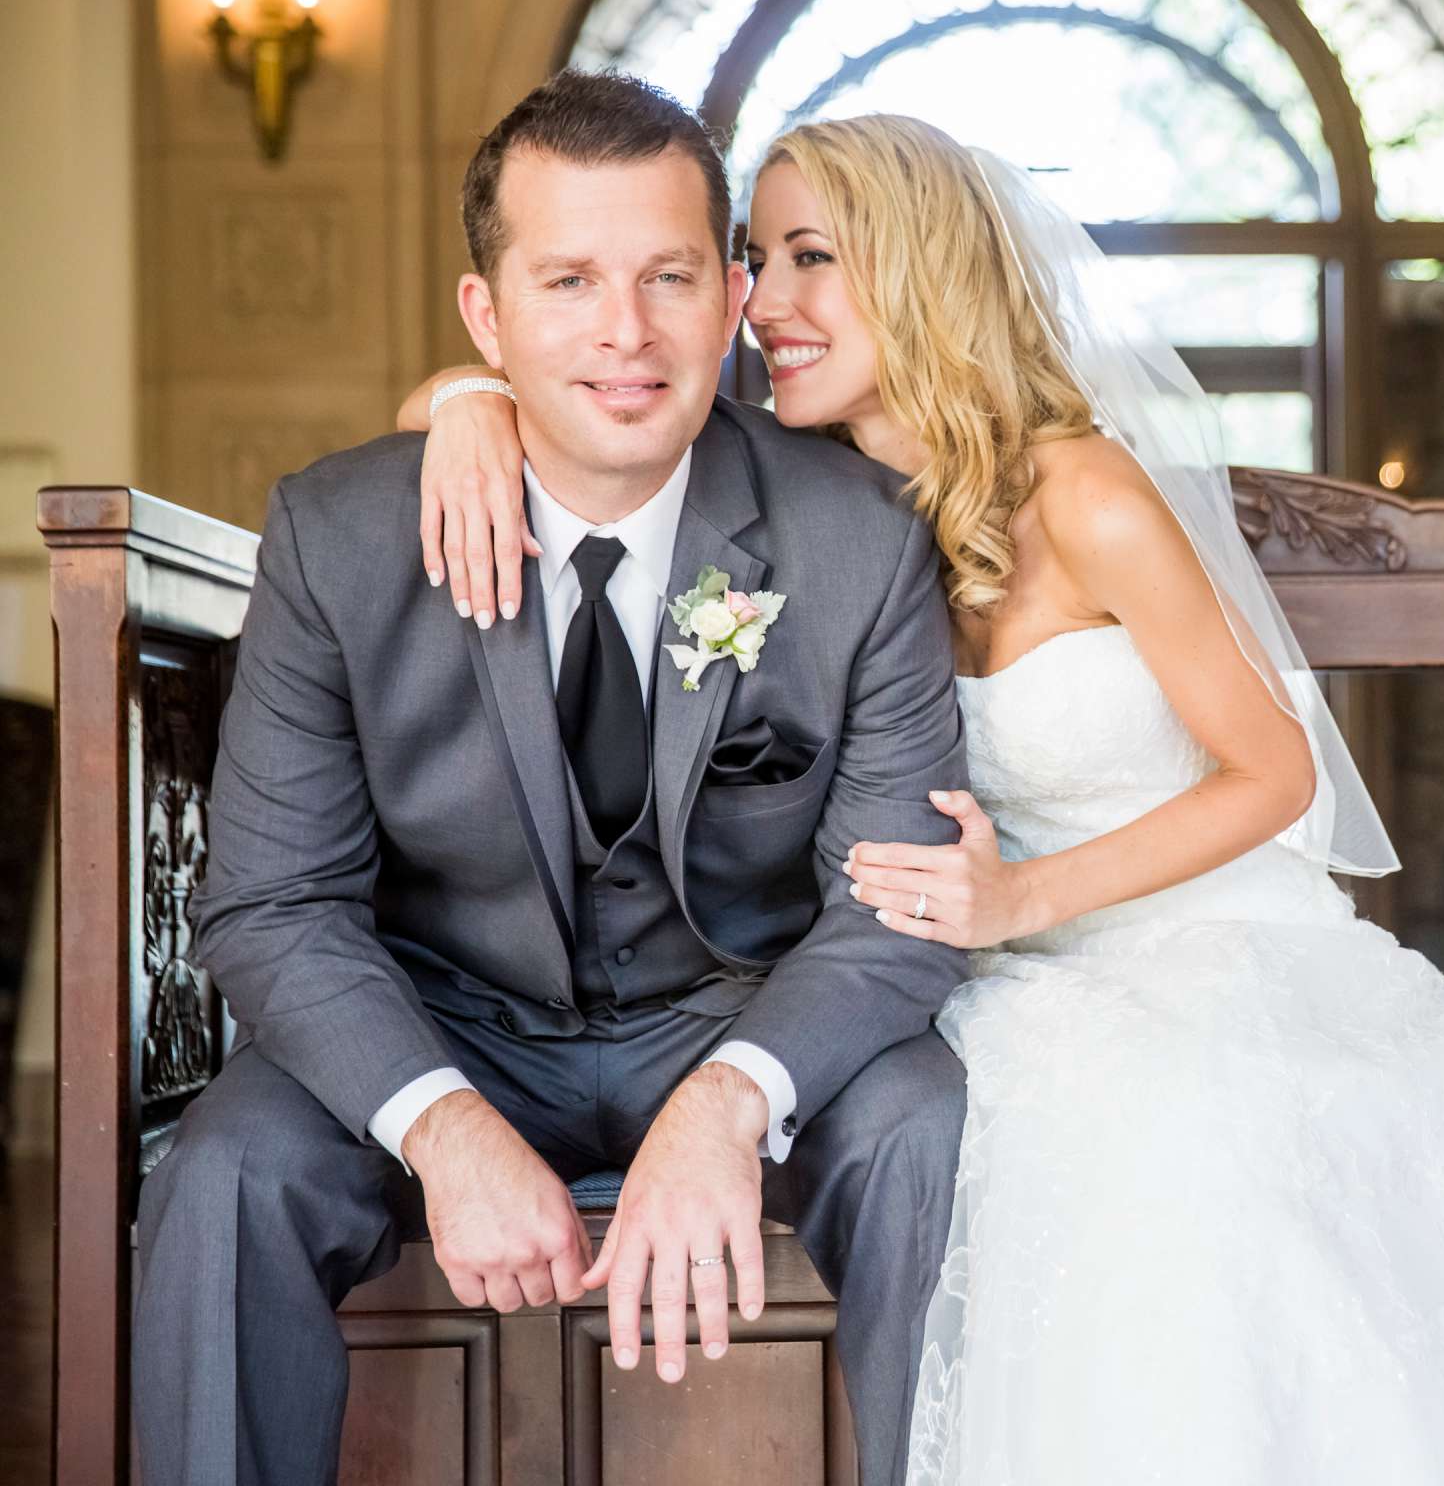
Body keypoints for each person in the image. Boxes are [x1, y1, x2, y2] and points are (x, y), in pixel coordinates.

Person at [405, 107, 1444, 1484]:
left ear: (922, 268)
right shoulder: (794, 489)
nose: (756, 300)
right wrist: (470, 405)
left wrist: (1023, 897)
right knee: (999, 1116)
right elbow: (528, 400)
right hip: (988, 973)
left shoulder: (1080, 492)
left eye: (806, 256)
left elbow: (1275, 773)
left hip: (1193, 939)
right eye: (756, 260)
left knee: (1181, 1134)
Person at [135, 72, 970, 1486]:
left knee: (928, 1125)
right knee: (230, 1171)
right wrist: (444, 1127)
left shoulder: (862, 540)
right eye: (569, 280)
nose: (625, 334)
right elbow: (273, 904)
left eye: (667, 278)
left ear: (729, 299)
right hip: (439, 1017)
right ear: (488, 317)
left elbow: (893, 903)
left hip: (739, 1016)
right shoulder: (338, 536)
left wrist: (729, 1101)